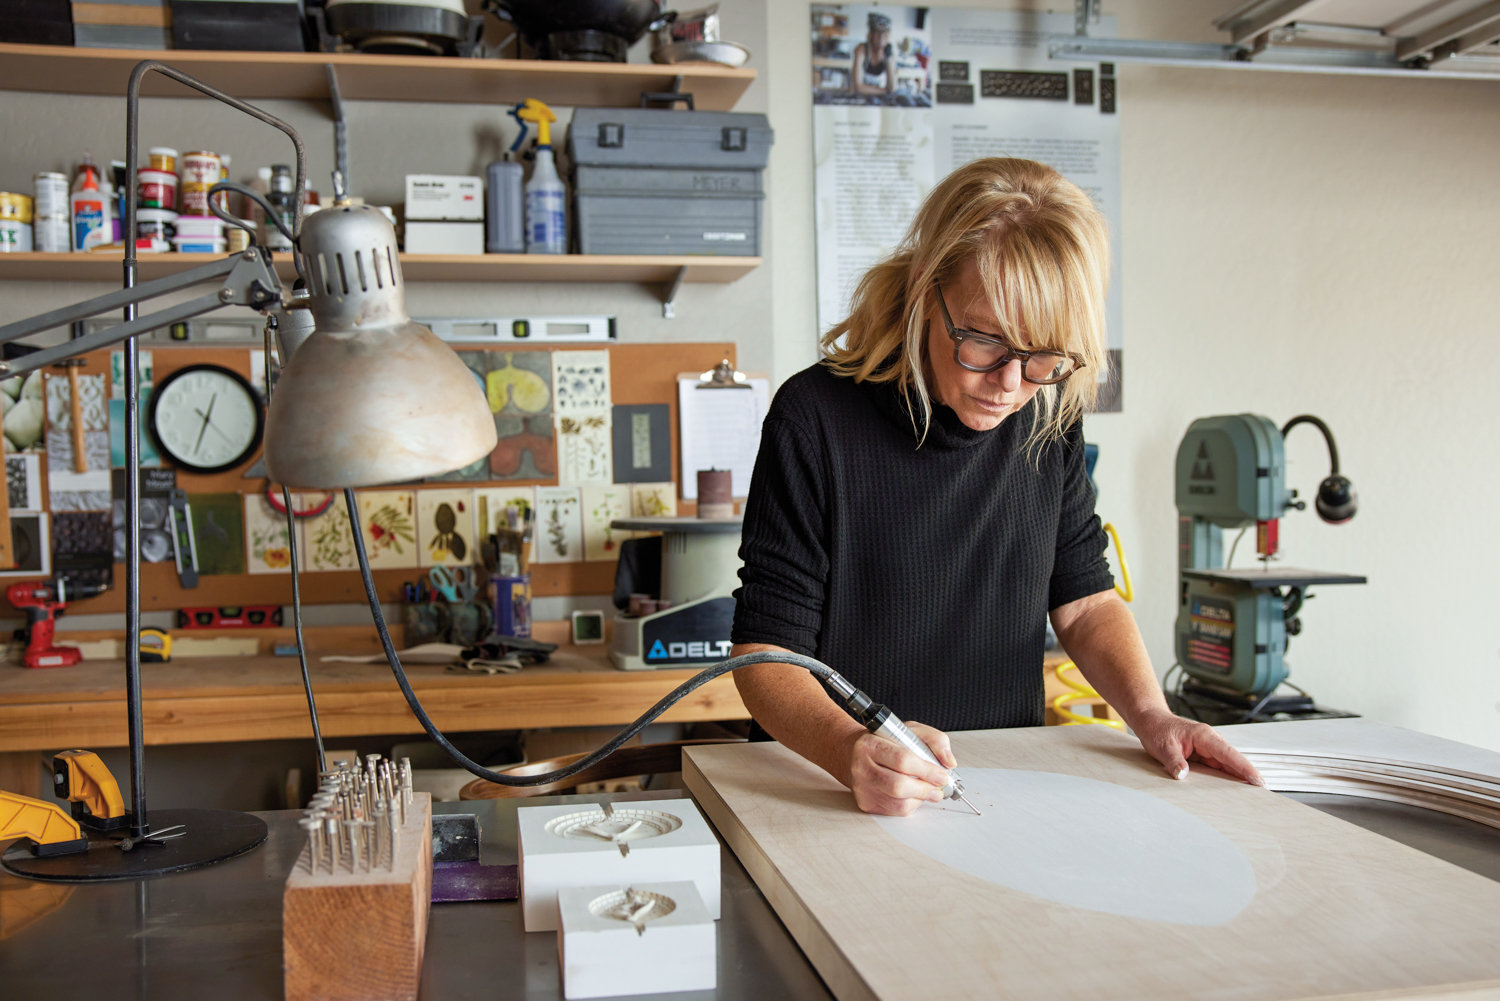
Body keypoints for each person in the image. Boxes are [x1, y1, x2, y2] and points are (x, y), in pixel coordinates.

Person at [730, 157, 1264, 817]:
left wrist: (1153, 715)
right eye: (983, 341)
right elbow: (766, 655)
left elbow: (1087, 605)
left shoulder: (1047, 414)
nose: (1010, 383)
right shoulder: (814, 417)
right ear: (927, 290)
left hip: (1001, 786)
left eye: (1043, 355)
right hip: (832, 789)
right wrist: (849, 749)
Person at [850, 13, 896, 98]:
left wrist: (888, 58)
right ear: (871, 33)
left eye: (885, 31)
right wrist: (884, 91)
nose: (881, 36)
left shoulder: (889, 53)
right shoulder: (861, 50)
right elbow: (858, 87)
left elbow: (892, 88)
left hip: (880, 97)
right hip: (861, 97)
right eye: (878, 32)